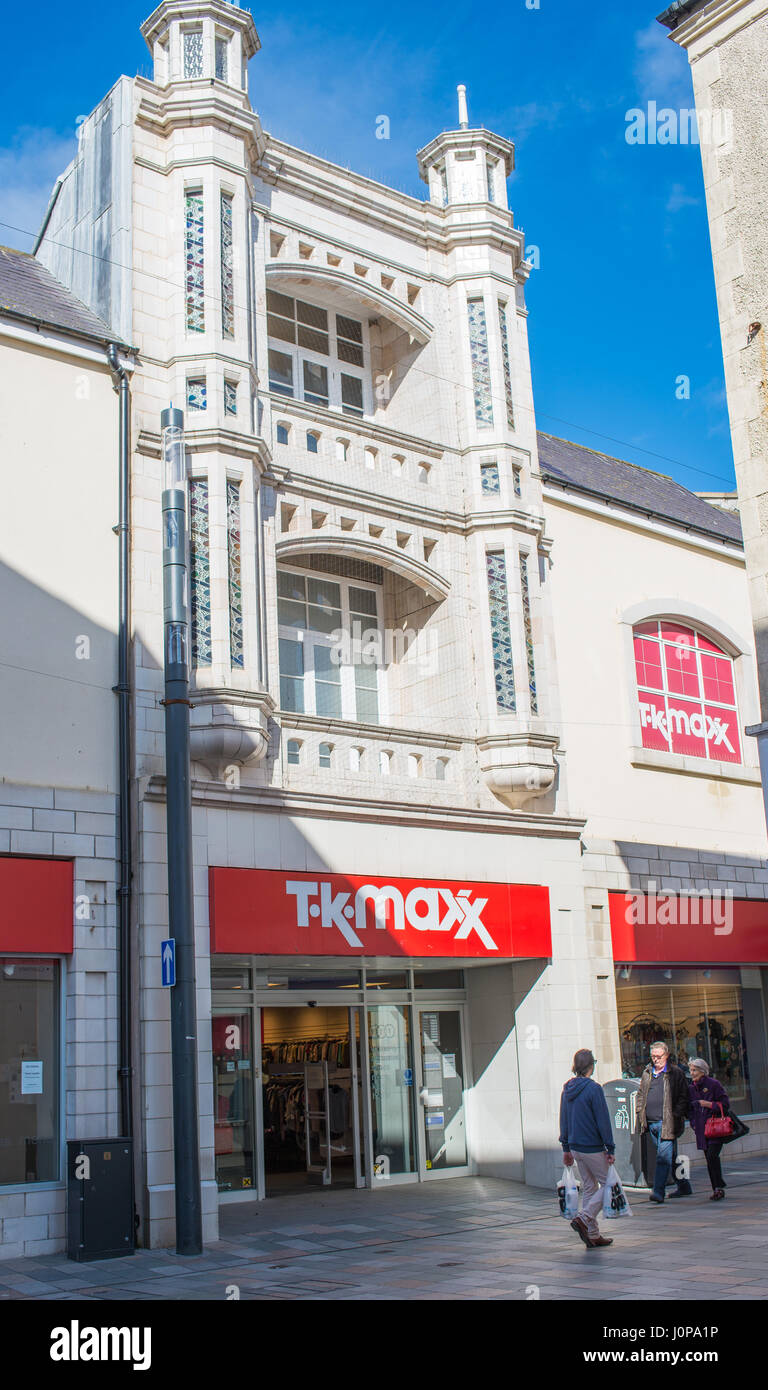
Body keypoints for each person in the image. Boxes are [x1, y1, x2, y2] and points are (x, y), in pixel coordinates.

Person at [559, 1048, 617, 1249]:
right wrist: (610, 1148)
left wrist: (566, 1147)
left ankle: (593, 1233)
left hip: (575, 1147)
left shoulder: (567, 1088)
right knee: (608, 1183)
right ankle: (584, 1218)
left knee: (591, 1186)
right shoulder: (594, 1089)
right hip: (592, 1146)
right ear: (591, 1066)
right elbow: (603, 1120)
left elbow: (563, 1119)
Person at [636, 1040, 692, 1203]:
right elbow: (641, 1093)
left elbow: (684, 1097)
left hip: (668, 1123)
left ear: (666, 1055)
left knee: (662, 1157)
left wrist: (675, 1115)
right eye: (653, 1056)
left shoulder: (675, 1073)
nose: (656, 1059)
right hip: (651, 1123)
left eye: (659, 1056)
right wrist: (640, 1111)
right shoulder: (647, 1072)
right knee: (670, 1156)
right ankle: (684, 1186)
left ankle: (658, 1191)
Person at [688, 1058, 729, 1200]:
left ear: (702, 1071)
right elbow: (690, 1108)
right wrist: (693, 1123)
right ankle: (716, 1188)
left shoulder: (713, 1084)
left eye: (694, 1070)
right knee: (709, 1158)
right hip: (701, 1128)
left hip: (715, 1127)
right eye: (691, 1070)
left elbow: (725, 1104)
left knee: (712, 1156)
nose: (692, 1073)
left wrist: (708, 1104)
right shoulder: (691, 1088)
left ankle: (719, 1185)